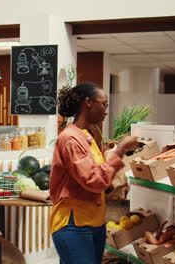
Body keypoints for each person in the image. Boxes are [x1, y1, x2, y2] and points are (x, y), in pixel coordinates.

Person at [49, 82, 138, 264]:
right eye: (104, 105)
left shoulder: (85, 136)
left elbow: (95, 177)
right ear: (88, 103)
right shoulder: (71, 139)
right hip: (74, 224)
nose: (106, 111)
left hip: (93, 223)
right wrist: (121, 150)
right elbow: (94, 180)